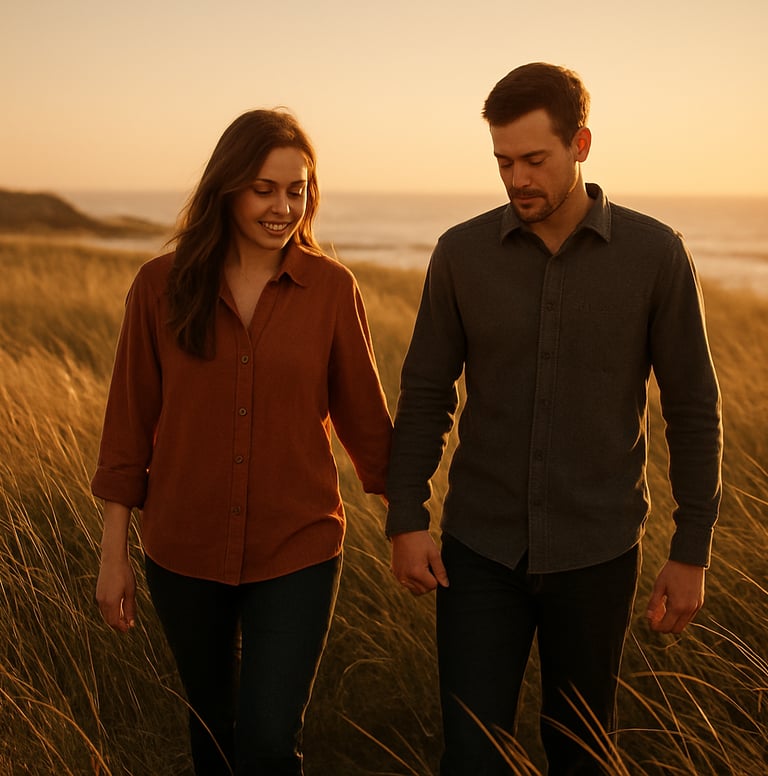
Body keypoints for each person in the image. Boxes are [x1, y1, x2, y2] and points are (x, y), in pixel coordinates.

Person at [386, 63, 722, 775]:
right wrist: (407, 518)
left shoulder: (656, 255)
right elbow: (424, 393)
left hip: (597, 553)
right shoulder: (460, 254)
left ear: (581, 145)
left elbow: (693, 408)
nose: (517, 179)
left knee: (582, 755)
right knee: (471, 755)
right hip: (480, 551)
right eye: (503, 162)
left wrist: (691, 548)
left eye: (534, 160)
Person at [92, 109, 392, 775]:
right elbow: (127, 430)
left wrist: (413, 522)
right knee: (213, 737)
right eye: (265, 188)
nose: (284, 206)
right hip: (182, 553)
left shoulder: (331, 290)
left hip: (298, 550)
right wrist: (113, 558)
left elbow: (369, 428)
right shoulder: (159, 287)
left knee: (266, 744)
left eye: (298, 190)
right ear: (228, 186)